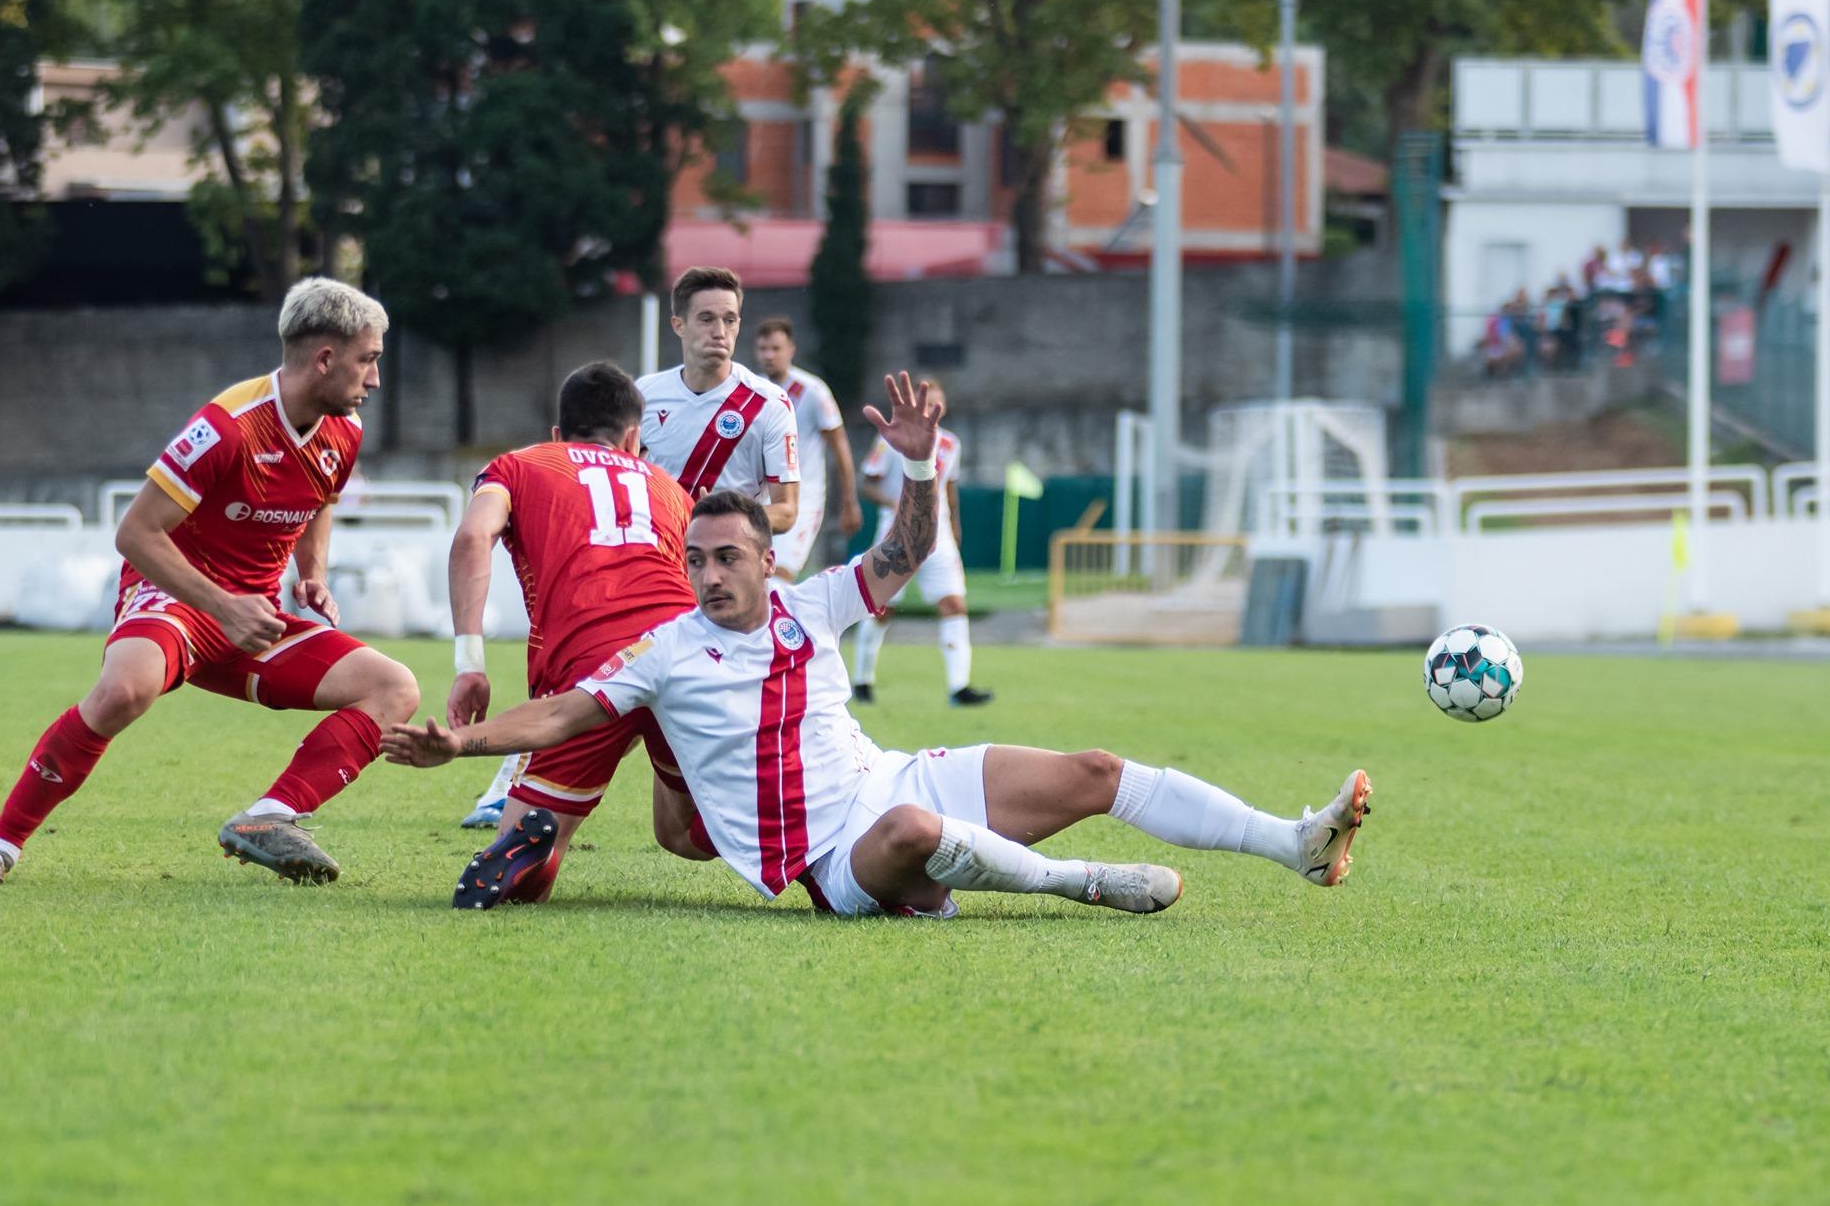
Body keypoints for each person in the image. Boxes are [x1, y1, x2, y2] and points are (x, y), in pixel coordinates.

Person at [383, 374, 1376, 920]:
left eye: (728, 555)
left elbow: (901, 552)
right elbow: (560, 711)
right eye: (696, 557)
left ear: (768, 562)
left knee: (1095, 768)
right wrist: (459, 746)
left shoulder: (809, 605)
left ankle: (1292, 843)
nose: (708, 572)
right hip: (828, 858)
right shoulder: (665, 652)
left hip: (897, 776)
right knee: (906, 833)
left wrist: (914, 465)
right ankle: (1086, 885)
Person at [0, 278, 420, 887]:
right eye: (369, 359)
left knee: (394, 688)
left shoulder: (344, 428)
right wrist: (222, 606)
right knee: (123, 691)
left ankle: (268, 818)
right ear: (325, 359)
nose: (375, 379)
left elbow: (321, 497)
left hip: (252, 621)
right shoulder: (227, 428)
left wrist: (312, 574)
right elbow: (136, 534)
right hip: (175, 601)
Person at [442, 362, 703, 902]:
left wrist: (470, 662)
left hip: (591, 671)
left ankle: (539, 848)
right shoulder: (672, 489)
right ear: (634, 438)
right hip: (684, 654)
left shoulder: (519, 465)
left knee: (523, 872)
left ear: (558, 434)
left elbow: (473, 537)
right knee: (684, 837)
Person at [849, 377, 989, 705]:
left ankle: (959, 687)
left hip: (937, 535)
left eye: (937, 403)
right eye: (927, 403)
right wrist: (895, 503)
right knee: (882, 608)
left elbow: (949, 486)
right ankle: (862, 680)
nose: (932, 409)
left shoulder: (951, 444)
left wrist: (954, 522)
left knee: (954, 604)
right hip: (897, 533)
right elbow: (868, 484)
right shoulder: (890, 441)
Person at [636, 265, 799, 533]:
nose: (720, 331)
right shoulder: (644, 395)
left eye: (729, 320)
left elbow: (786, 511)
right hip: (659, 560)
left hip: (730, 562)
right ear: (679, 325)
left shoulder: (769, 403)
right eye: (707, 319)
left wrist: (714, 522)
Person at [752, 316, 862, 581]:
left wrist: (849, 502)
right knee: (751, 577)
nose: (769, 356)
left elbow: (840, 446)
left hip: (803, 499)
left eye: (776, 349)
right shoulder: (752, 389)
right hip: (759, 497)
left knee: (779, 576)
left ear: (791, 350)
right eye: (763, 349)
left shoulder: (813, 391)